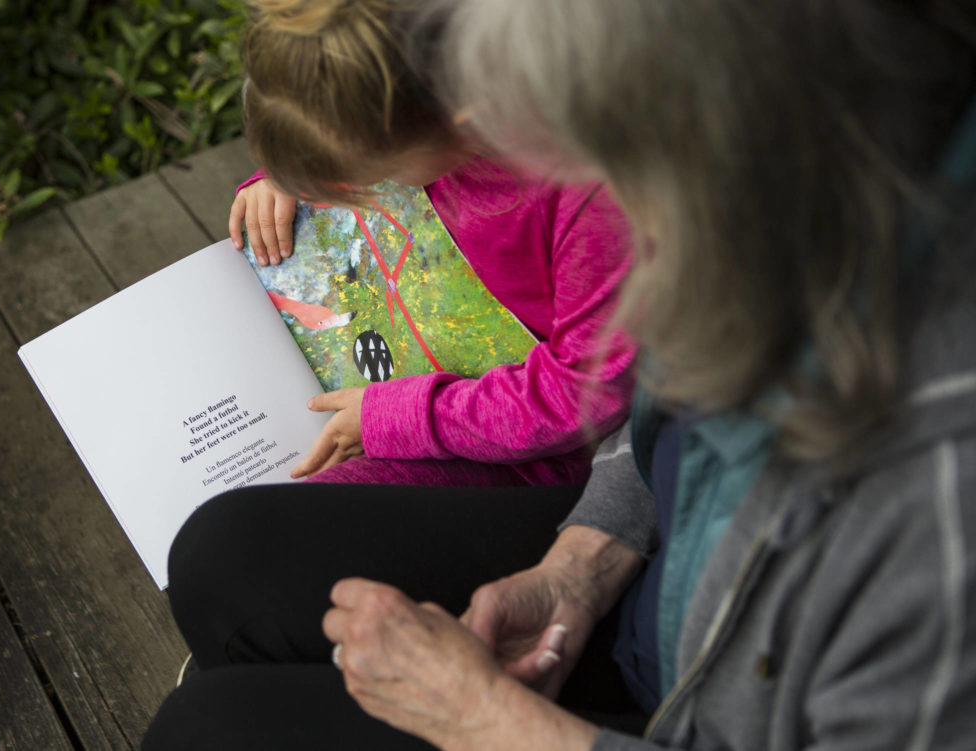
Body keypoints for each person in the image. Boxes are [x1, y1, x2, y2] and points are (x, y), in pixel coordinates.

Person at [142, 0, 976, 749]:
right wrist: (581, 563)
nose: (620, 232)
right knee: (223, 557)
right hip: (650, 597)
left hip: (688, 711)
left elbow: (595, 387)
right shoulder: (791, 200)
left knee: (201, 732)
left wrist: (489, 722)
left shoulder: (933, 506)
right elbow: (663, 421)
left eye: (606, 164)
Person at [227, 0, 638, 486]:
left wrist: (398, 417)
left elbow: (585, 397)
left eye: (371, 174)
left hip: (541, 457)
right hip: (428, 419)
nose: (355, 189)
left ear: (454, 112)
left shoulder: (590, 193)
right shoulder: (413, 107)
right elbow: (344, 110)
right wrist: (291, 168)